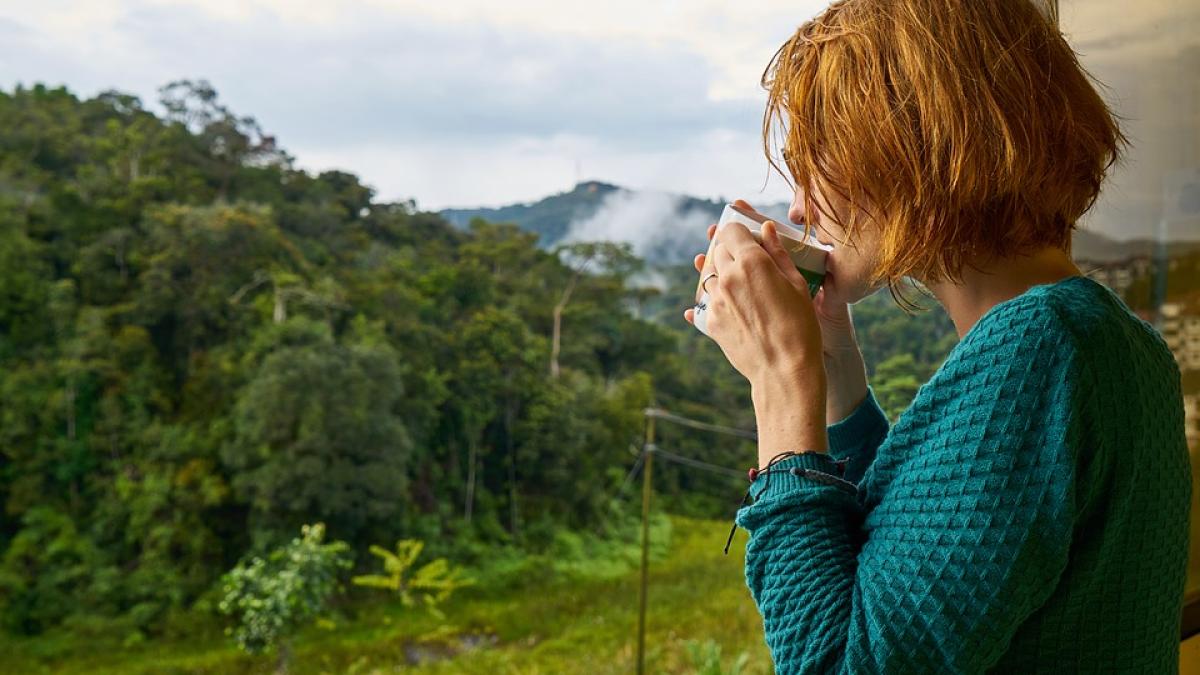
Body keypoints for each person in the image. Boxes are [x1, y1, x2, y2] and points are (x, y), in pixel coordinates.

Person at [681, 0, 1193, 672]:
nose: (800, 207)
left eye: (812, 164)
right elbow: (918, 558)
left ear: (905, 144)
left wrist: (782, 381)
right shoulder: (1109, 340)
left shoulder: (1041, 350)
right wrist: (835, 373)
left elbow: (838, 661)